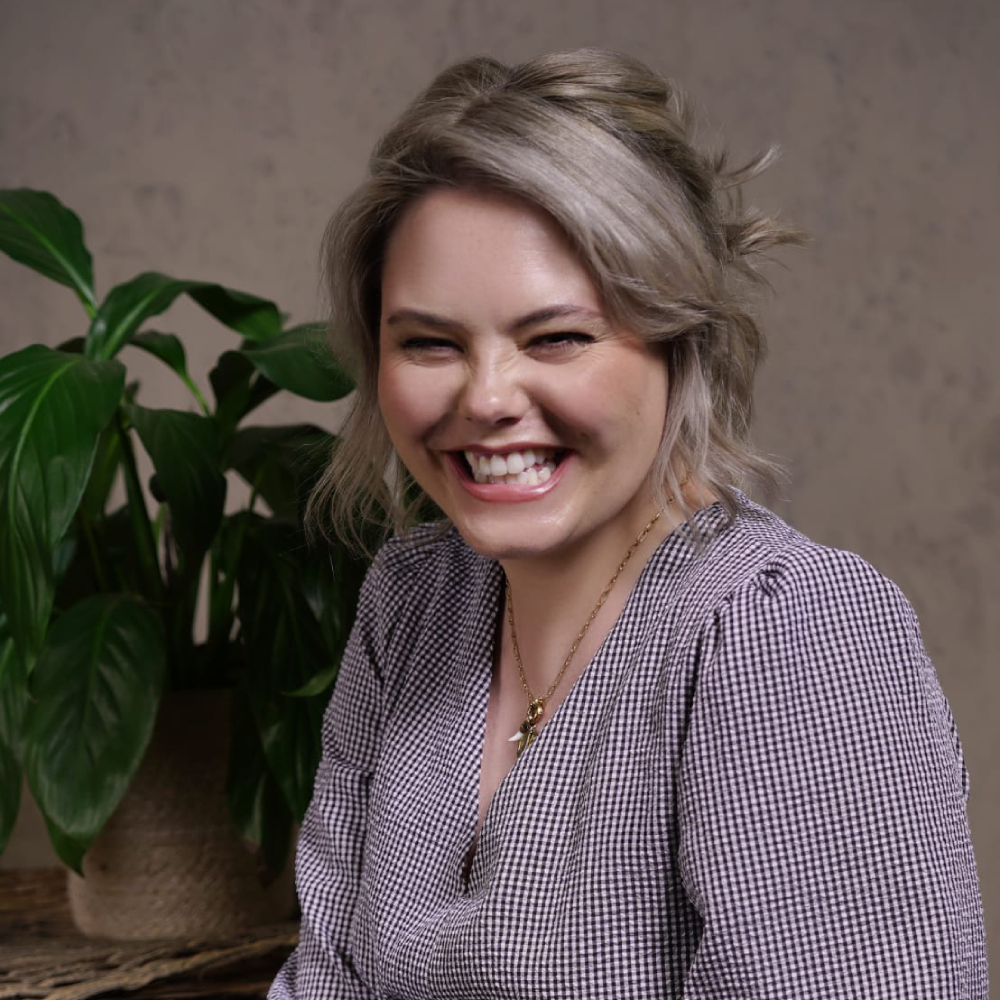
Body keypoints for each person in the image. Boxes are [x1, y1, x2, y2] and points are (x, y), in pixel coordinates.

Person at [269, 49, 987, 999]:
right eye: (429, 343)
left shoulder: (787, 632)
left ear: (680, 339)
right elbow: (324, 980)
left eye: (557, 337)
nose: (485, 399)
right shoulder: (412, 601)